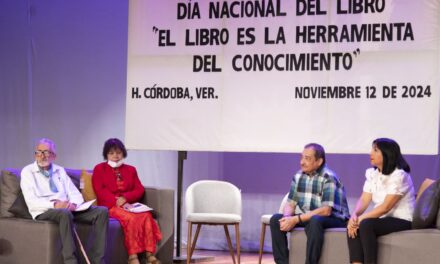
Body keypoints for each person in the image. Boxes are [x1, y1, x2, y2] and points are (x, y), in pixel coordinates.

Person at [20, 138, 108, 264]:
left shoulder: (59, 170)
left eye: (46, 152)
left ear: (54, 156)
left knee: (102, 211)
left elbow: (74, 193)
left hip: (66, 209)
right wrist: (55, 204)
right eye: (39, 152)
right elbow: (32, 201)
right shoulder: (28, 172)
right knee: (64, 213)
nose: (42, 156)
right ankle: (70, 261)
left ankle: (98, 260)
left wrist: (73, 204)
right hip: (44, 210)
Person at [270, 143, 350, 264]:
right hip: (307, 217)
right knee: (276, 219)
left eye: (307, 158)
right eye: (302, 157)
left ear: (319, 161)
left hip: (333, 218)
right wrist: (287, 218)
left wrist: (296, 219)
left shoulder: (329, 177)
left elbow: (326, 210)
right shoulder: (298, 176)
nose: (302, 162)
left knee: (315, 220)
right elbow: (291, 204)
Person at [92, 138, 162, 264]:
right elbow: (100, 190)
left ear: (123, 153)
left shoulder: (131, 169)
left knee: (146, 216)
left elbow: (139, 189)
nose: (115, 156)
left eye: (118, 152)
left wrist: (126, 198)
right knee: (131, 218)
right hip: (110, 206)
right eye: (111, 153)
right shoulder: (99, 169)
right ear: (106, 155)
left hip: (129, 204)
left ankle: (149, 254)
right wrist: (116, 201)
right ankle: (133, 256)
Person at [347, 138, 415, 264]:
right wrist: (355, 215)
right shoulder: (373, 174)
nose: (370, 153)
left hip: (402, 219)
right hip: (383, 218)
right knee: (352, 224)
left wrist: (361, 219)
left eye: (375, 150)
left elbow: (385, 207)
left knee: (365, 224)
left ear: (387, 153)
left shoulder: (400, 175)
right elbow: (364, 199)